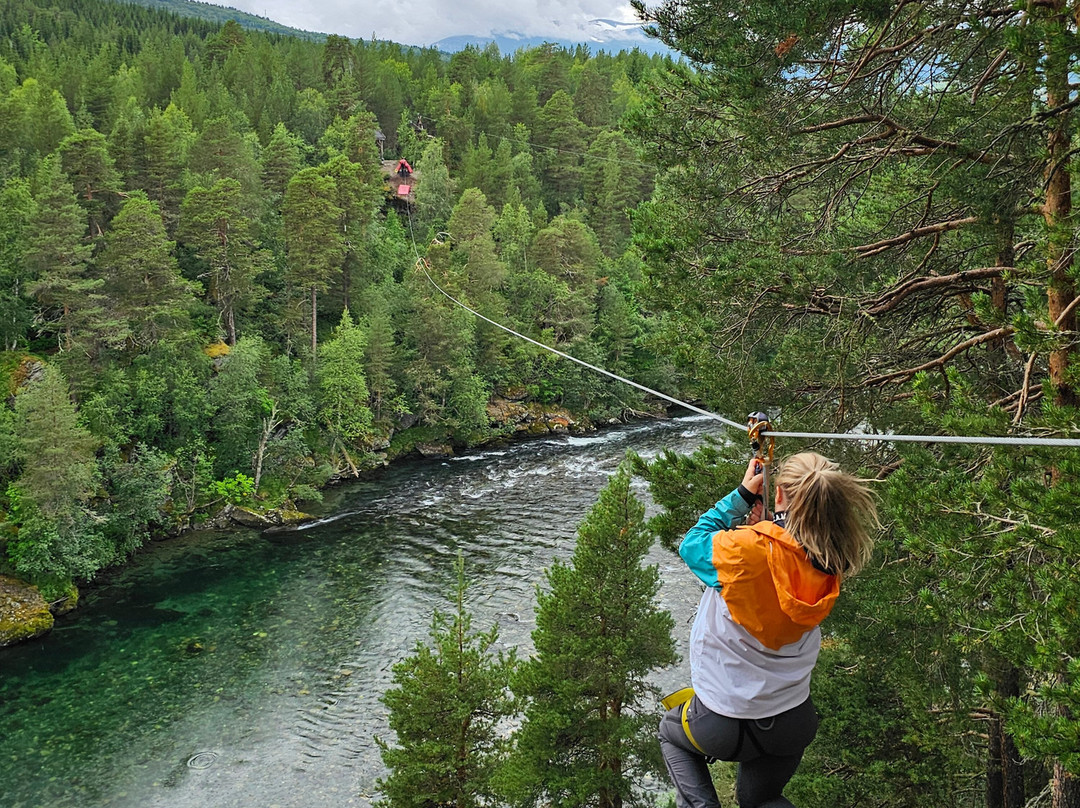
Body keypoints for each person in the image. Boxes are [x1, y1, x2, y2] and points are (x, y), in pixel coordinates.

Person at [659, 452, 877, 808]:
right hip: (791, 722)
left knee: (671, 734)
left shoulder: (745, 554)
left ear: (779, 496)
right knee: (762, 801)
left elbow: (693, 544)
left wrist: (743, 495)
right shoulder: (831, 557)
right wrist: (762, 529)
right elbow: (781, 558)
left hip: (722, 722)